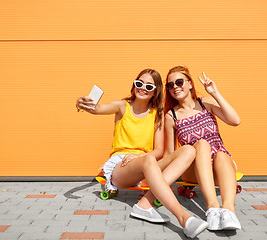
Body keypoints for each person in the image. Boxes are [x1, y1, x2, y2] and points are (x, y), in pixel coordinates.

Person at [76, 68, 208, 238]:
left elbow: (159, 150)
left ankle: (144, 205)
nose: (143, 88)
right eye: (139, 83)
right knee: (148, 161)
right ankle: (184, 218)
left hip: (146, 163)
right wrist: (81, 102)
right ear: (134, 85)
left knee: (189, 150)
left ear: (155, 91)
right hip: (121, 166)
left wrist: (140, 157)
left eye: (149, 86)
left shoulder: (157, 114)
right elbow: (97, 108)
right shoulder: (122, 106)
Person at [164, 66, 242, 231]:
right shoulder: (171, 116)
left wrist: (215, 93)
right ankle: (212, 208)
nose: (175, 87)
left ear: (190, 84)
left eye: (179, 82)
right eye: (170, 85)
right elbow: (170, 154)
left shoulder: (206, 102)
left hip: (219, 167)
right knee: (202, 144)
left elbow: (235, 121)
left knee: (221, 154)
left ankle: (229, 211)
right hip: (193, 171)